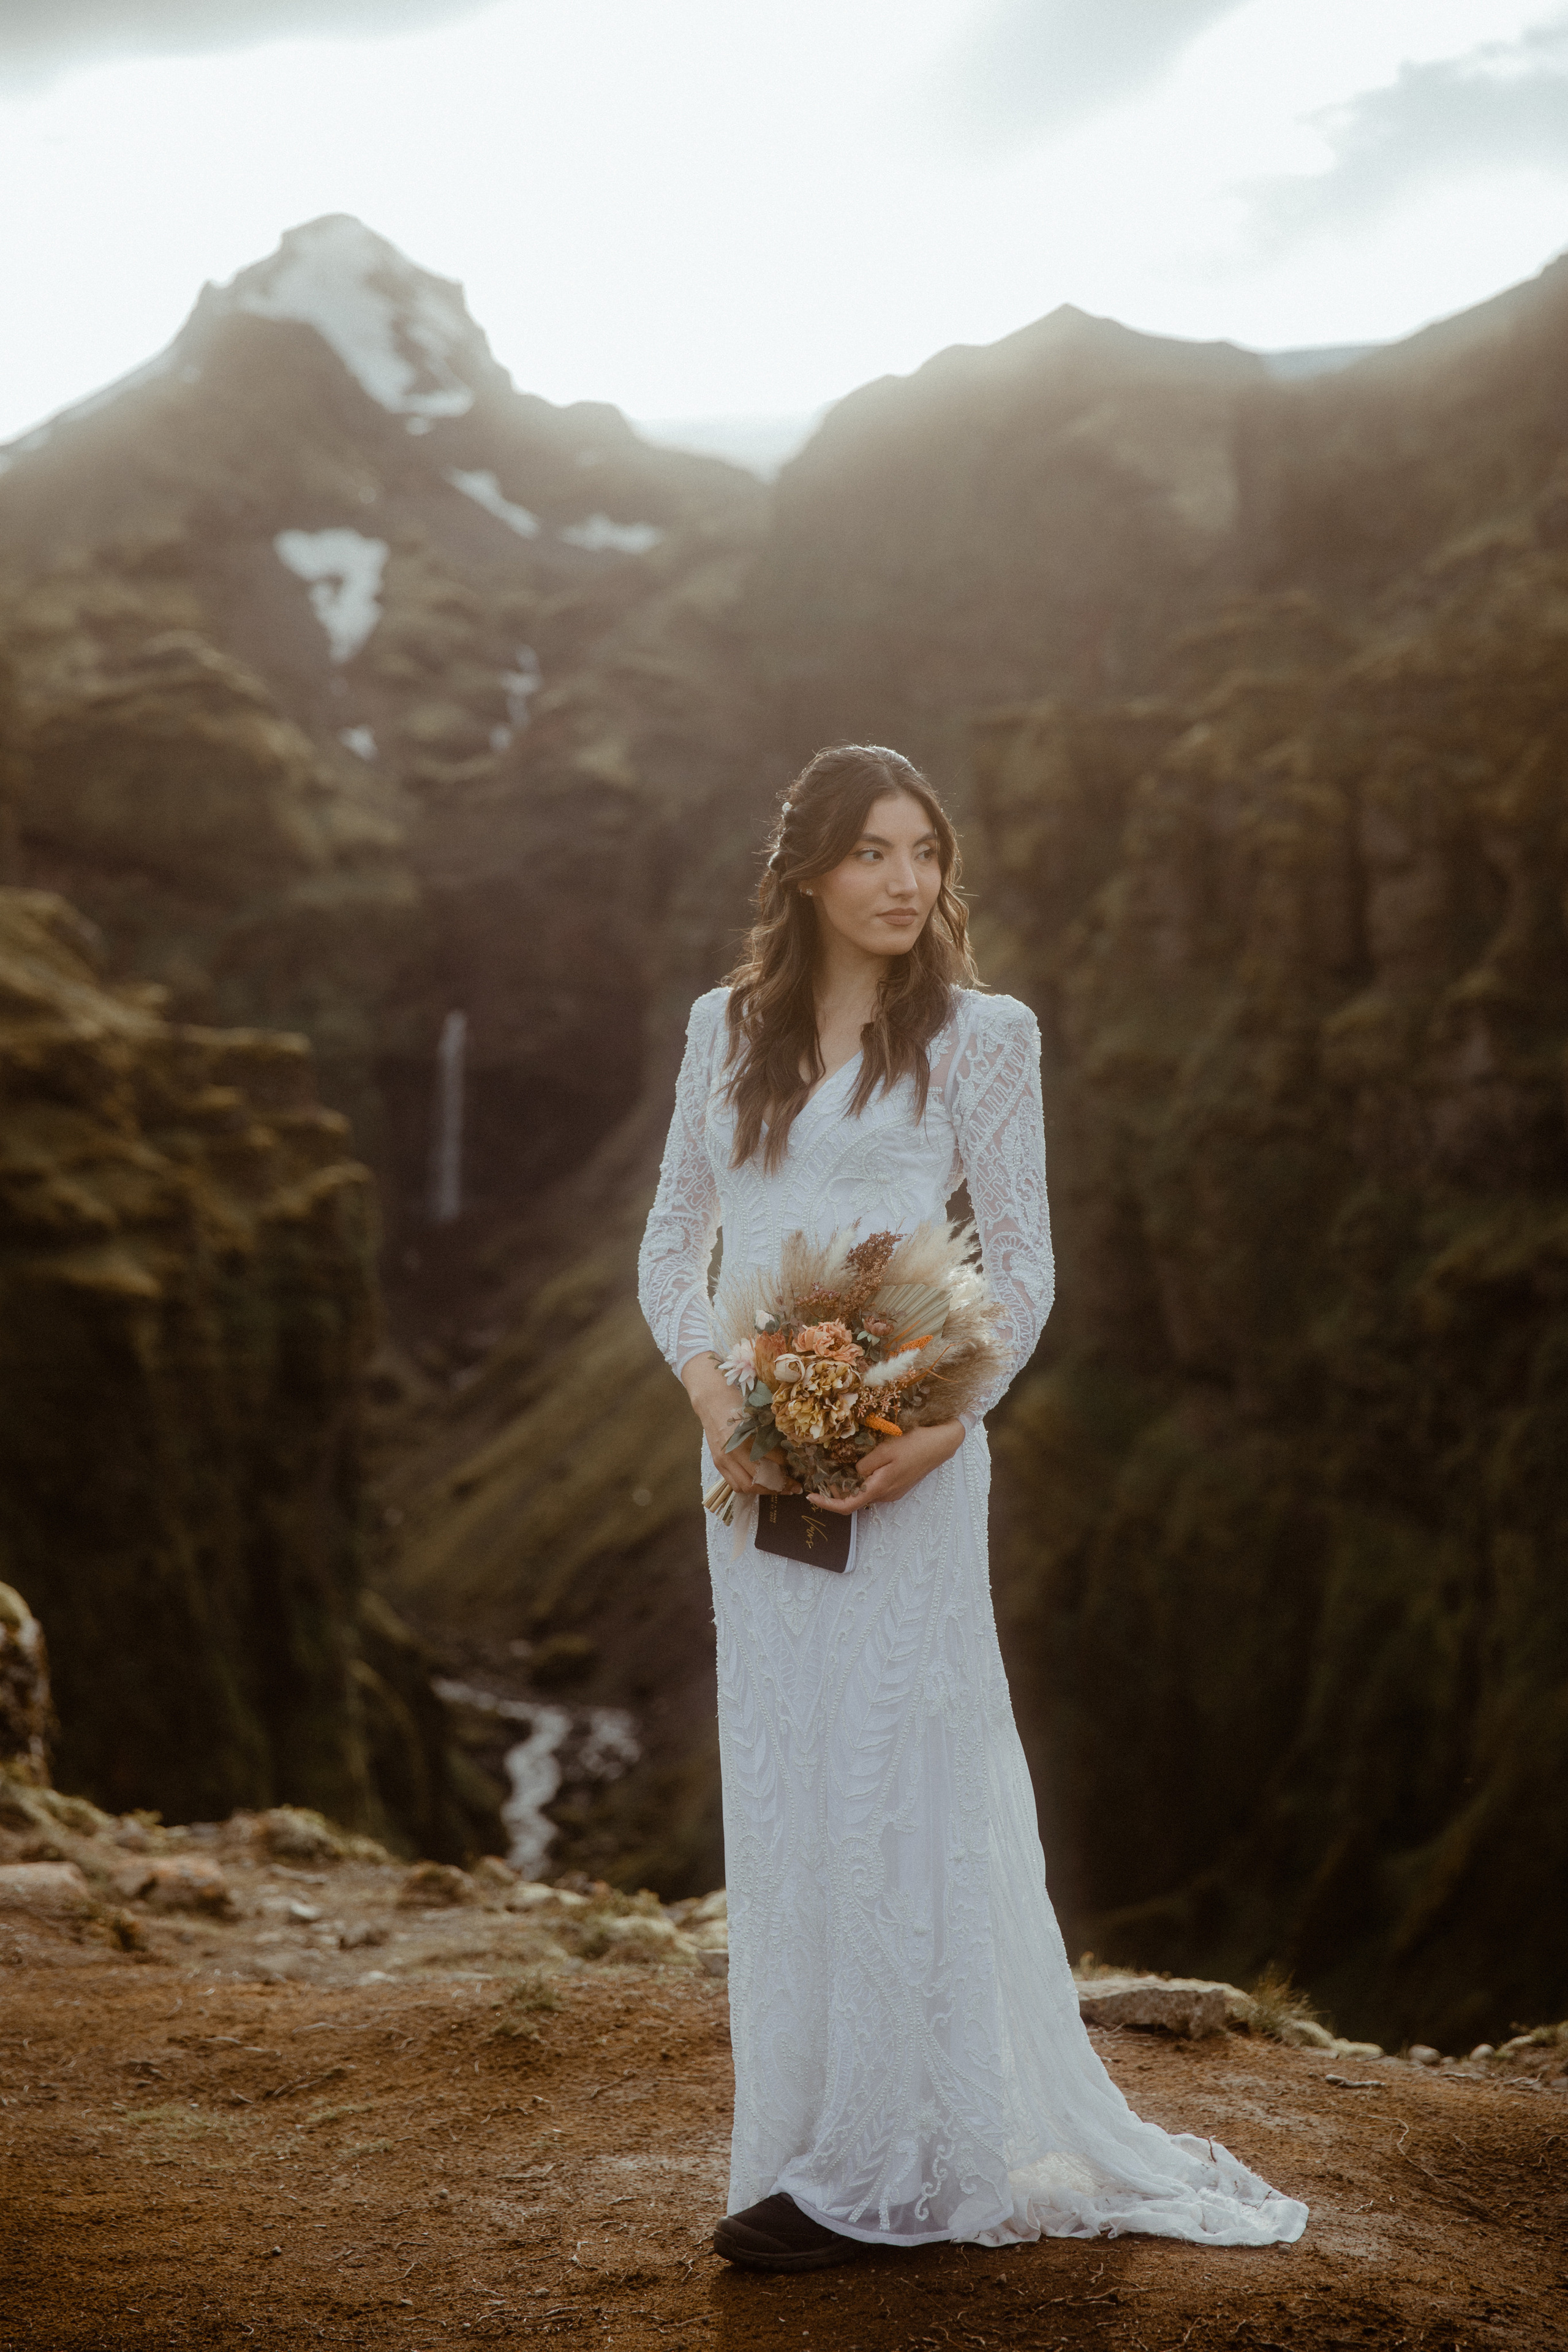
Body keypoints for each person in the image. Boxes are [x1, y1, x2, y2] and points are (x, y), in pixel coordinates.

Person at [637, 744, 1307, 2270]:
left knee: (899, 1783)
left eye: (924, 852)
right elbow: (675, 1234)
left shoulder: (983, 1038)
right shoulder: (723, 1030)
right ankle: (803, 2147)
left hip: (911, 1462)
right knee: (795, 1783)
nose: (904, 881)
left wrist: (934, 1427)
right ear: (807, 870)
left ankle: (902, 2166)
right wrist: (713, 1397)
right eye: (872, 852)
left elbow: (1023, 1263)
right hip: (749, 1460)